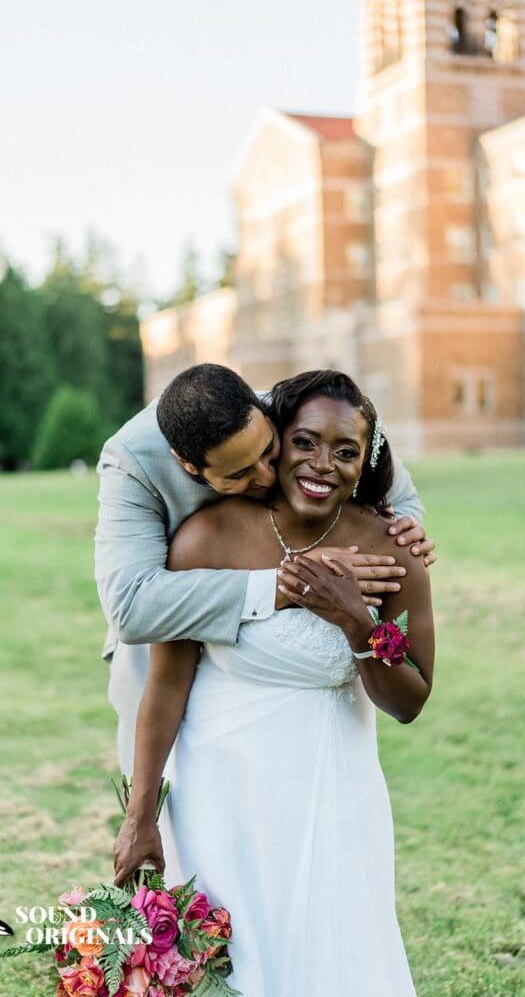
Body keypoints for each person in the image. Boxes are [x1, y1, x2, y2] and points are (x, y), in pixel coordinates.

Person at [113, 370, 434, 996]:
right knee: (231, 962)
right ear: (279, 440)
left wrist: (356, 622)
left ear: (365, 460)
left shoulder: (393, 551)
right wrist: (140, 816)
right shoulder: (206, 537)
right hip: (220, 793)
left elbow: (411, 701)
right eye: (305, 443)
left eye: (345, 451)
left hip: (332, 791)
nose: (322, 465)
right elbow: (166, 688)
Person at [95, 364, 435, 776]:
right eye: (239, 474)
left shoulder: (305, 412)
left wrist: (404, 536)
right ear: (189, 466)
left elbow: (399, 496)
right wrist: (290, 582)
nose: (268, 475)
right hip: (170, 631)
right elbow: (132, 608)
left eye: (269, 450)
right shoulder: (133, 463)